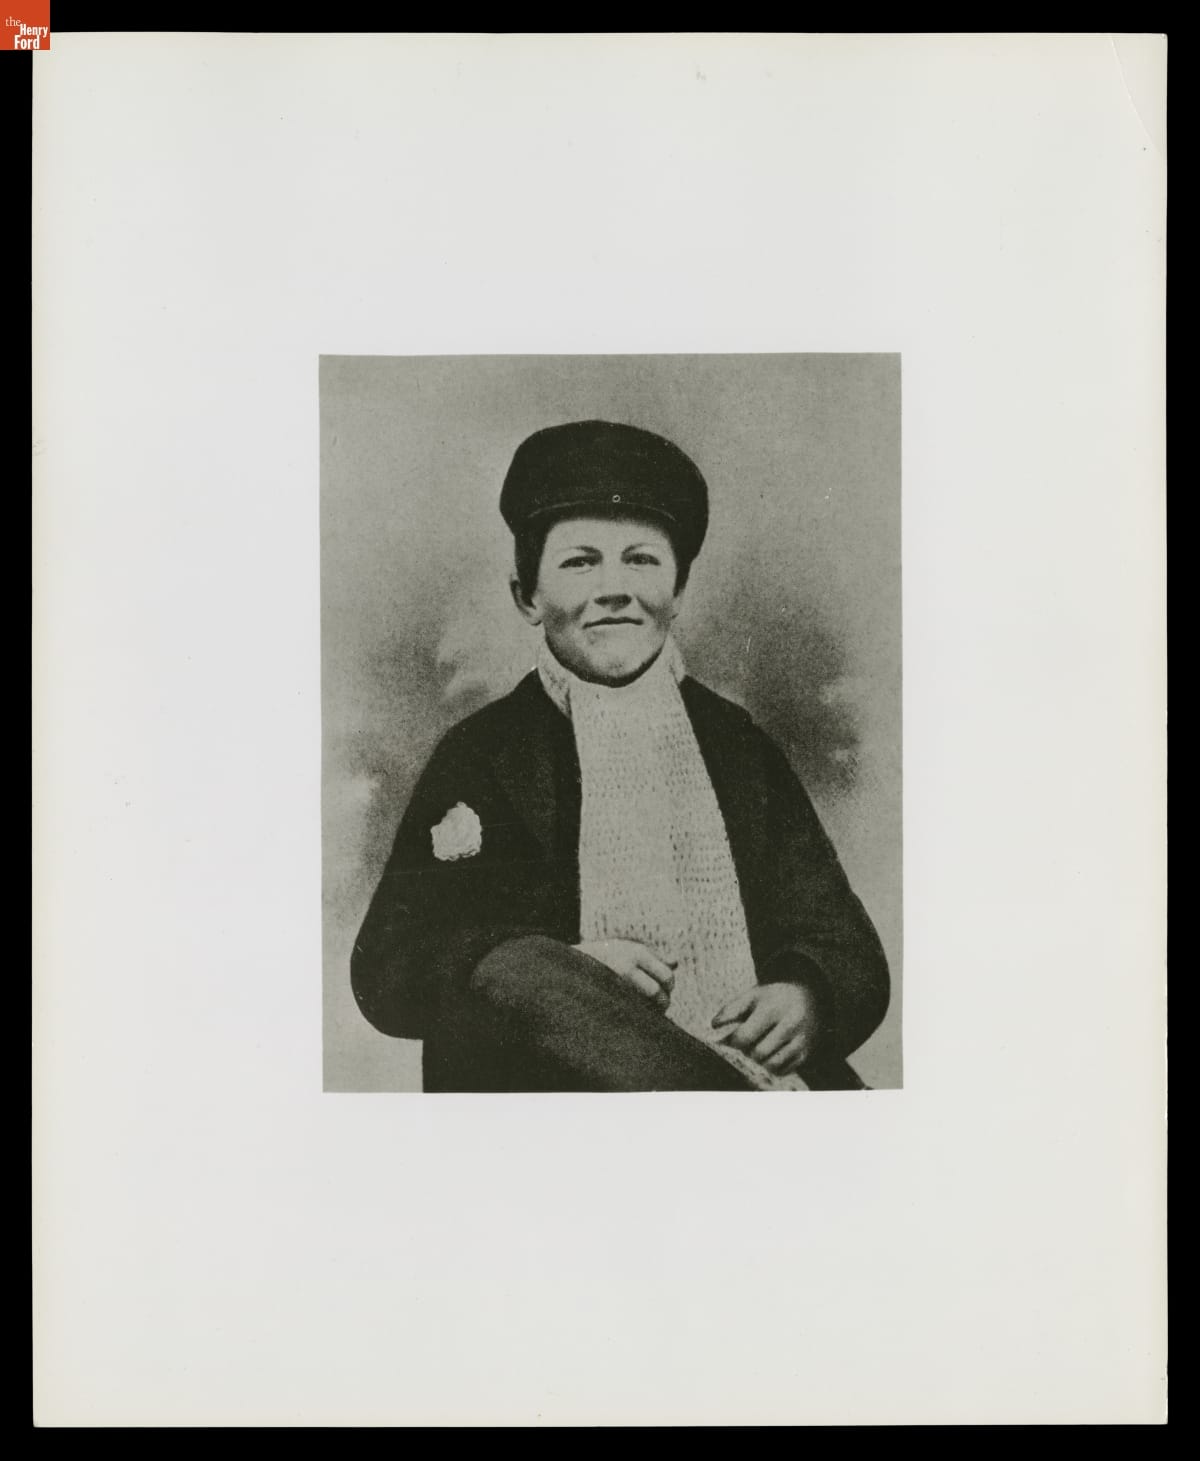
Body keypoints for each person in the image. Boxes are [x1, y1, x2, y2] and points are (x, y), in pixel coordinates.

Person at [351, 420, 890, 1091]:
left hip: (758, 1074)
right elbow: (388, 969)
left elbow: (842, 938)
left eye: (642, 560)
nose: (614, 588)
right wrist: (561, 975)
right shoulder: (484, 754)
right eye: (580, 562)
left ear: (679, 592)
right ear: (527, 596)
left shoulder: (737, 746)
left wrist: (809, 993)